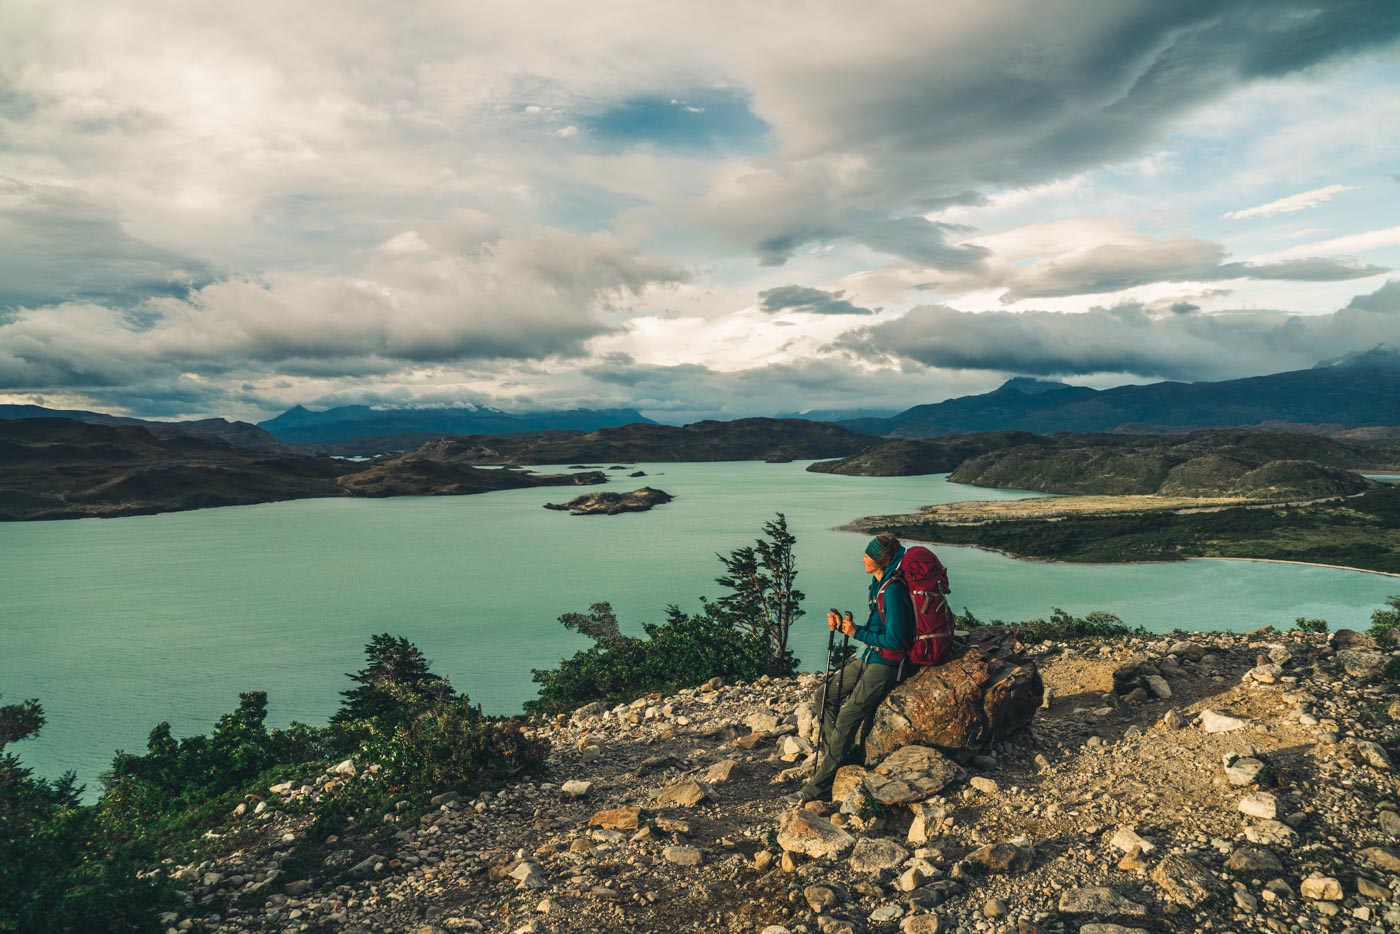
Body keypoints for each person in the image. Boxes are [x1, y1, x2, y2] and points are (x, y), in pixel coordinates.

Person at [788, 532, 913, 804]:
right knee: (823, 697)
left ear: (881, 560)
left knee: (847, 715)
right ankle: (842, 757)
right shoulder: (877, 583)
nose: (862, 559)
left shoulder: (893, 590)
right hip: (870, 654)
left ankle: (818, 787)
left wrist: (856, 632)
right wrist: (849, 627)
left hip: (888, 662)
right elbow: (877, 628)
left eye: (867, 555)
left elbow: (896, 639)